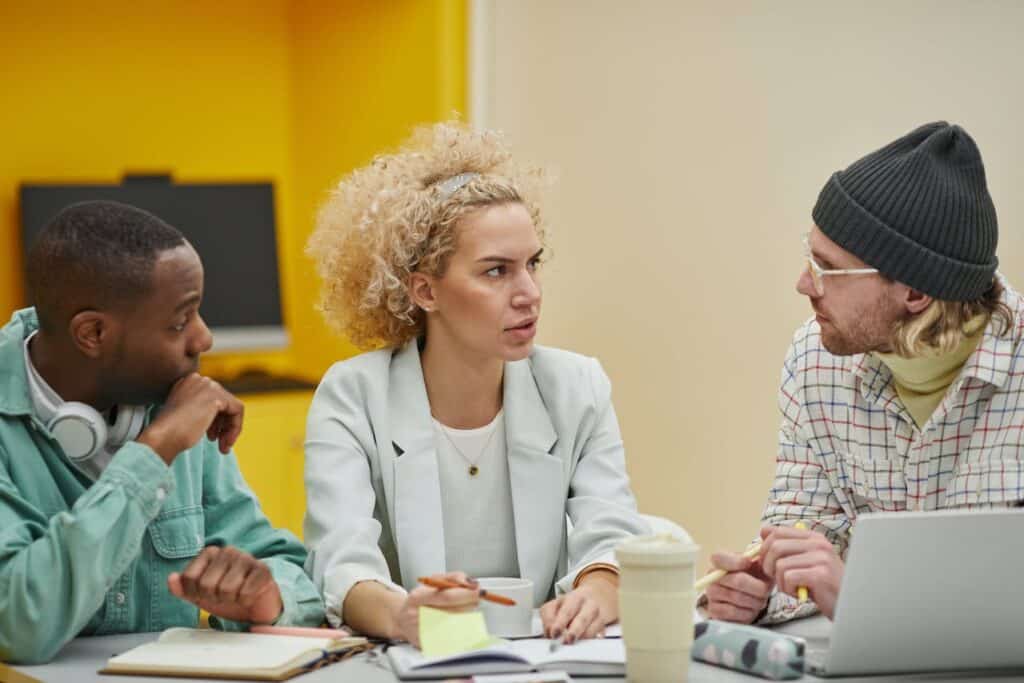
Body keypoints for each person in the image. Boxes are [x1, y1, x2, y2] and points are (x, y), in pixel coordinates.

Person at [303, 122, 648, 646]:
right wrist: (404, 617)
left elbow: (611, 532)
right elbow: (340, 561)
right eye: (496, 271)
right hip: (409, 662)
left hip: (543, 659)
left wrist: (599, 591)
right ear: (425, 291)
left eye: (532, 264)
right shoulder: (352, 396)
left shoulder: (577, 387)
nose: (529, 292)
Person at [704, 121, 1023, 625]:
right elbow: (805, 527)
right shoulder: (814, 359)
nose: (804, 283)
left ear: (915, 292)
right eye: (809, 256)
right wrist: (763, 590)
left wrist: (863, 597)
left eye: (827, 268)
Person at [0, 201, 324, 664]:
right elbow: (18, 621)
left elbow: (289, 569)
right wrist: (155, 451)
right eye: (179, 322)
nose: (204, 338)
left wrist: (266, 599)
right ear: (92, 333)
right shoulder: (174, 425)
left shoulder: (168, 397)